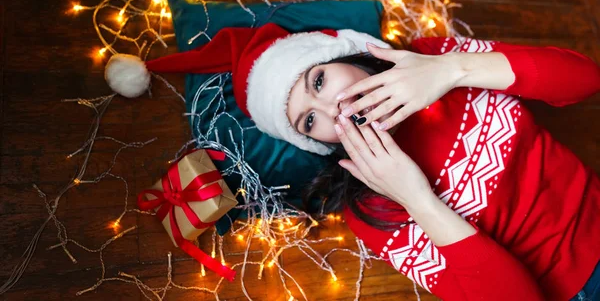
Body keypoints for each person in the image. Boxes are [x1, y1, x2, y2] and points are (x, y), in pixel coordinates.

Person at [105, 22, 600, 301]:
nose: (334, 111)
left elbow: (584, 79)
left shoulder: (431, 59)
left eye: (318, 83)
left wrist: (454, 68)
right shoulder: (370, 211)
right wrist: (417, 199)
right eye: (308, 122)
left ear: (348, 56)